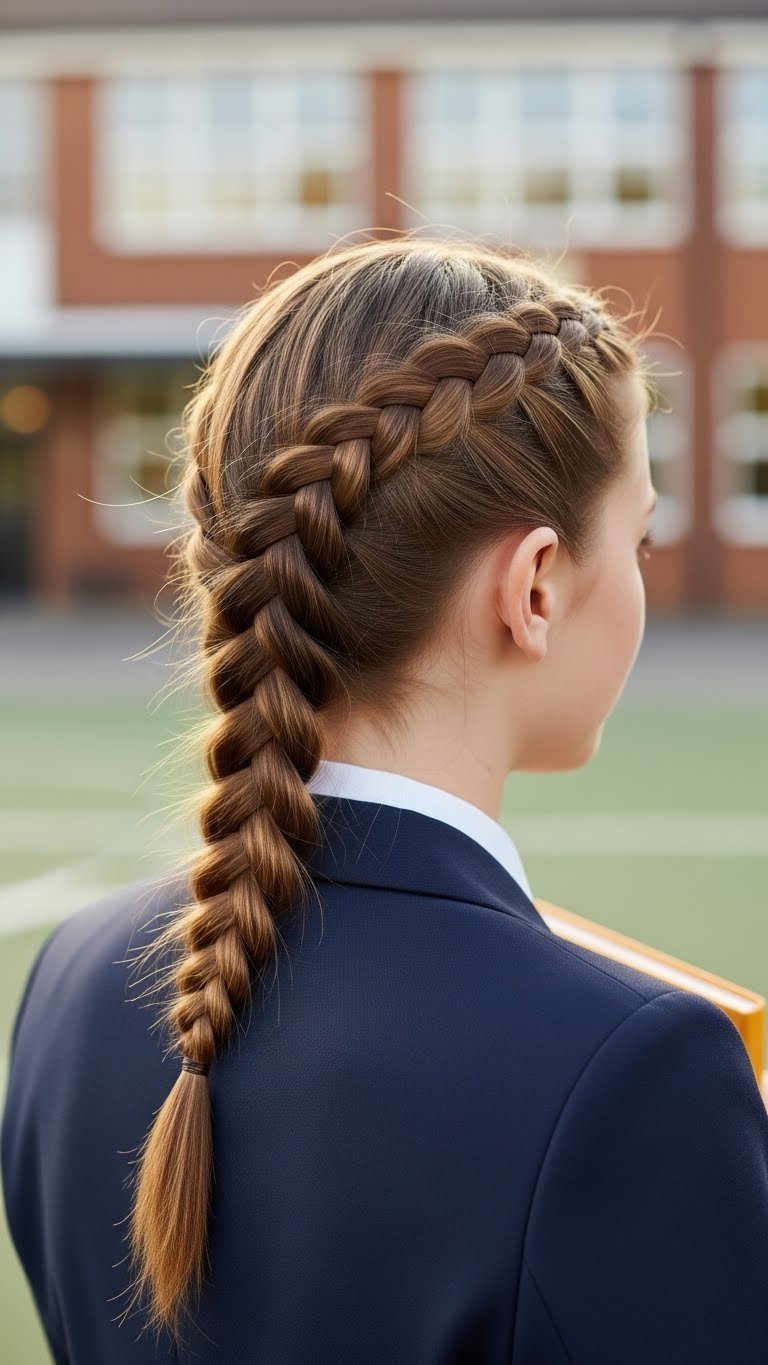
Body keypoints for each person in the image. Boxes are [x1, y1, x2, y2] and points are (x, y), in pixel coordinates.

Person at [3, 236, 768, 1365]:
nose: (645, 577)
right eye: (641, 538)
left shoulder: (72, 978)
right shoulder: (635, 1077)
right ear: (537, 586)